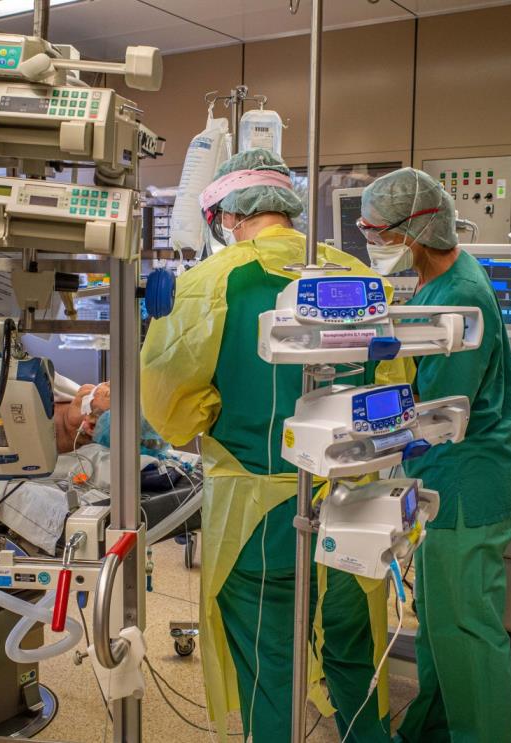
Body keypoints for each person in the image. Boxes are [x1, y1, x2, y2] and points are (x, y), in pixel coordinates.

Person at [141, 149, 395, 742]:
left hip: (259, 520)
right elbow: (392, 386)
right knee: (355, 657)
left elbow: (168, 406)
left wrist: (219, 414)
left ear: (229, 214)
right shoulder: (358, 278)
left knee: (271, 663)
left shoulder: (210, 283)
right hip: (355, 506)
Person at [359, 168, 511, 743]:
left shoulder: (461, 298)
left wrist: (364, 430)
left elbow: (437, 408)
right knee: (439, 627)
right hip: (442, 484)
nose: (374, 242)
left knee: (466, 629)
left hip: (464, 486)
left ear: (414, 230)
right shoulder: (439, 280)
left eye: (378, 232)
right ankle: (431, 730)